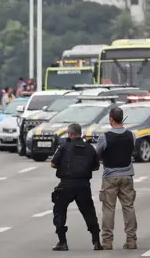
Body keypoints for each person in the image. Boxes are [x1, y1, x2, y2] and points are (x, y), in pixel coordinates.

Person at [50, 123, 103, 251]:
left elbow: (53, 164)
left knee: (59, 210)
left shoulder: (63, 147)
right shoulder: (89, 148)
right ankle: (96, 241)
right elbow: (96, 166)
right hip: (83, 184)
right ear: (80, 133)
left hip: (66, 184)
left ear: (69, 134)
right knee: (89, 212)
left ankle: (62, 242)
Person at [95, 107, 138, 250]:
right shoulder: (131, 135)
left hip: (110, 177)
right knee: (129, 207)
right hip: (127, 175)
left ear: (111, 119)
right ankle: (131, 240)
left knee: (108, 209)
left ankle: (107, 241)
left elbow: (98, 154)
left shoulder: (104, 137)